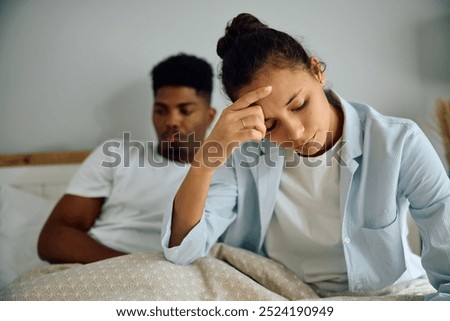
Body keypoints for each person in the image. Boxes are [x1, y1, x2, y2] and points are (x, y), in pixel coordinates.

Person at [162, 13, 450, 300]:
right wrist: (207, 158)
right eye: (270, 124)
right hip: (283, 295)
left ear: (317, 71)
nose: (296, 133)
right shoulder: (245, 153)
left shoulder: (398, 142)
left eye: (298, 104)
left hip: (388, 294)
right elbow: (182, 249)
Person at [38, 53, 216, 264]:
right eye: (161, 110)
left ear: (210, 116)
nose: (172, 121)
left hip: (174, 281)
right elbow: (54, 238)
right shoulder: (115, 154)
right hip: (96, 269)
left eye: (185, 111)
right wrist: (132, 268)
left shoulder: (227, 173)